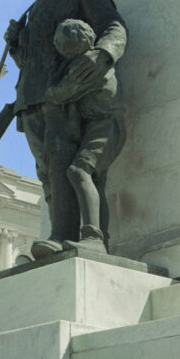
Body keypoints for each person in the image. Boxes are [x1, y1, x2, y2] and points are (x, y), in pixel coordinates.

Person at [4, 0, 126, 259]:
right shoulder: (33, 8)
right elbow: (29, 62)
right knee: (47, 178)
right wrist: (16, 44)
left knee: (63, 165)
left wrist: (103, 53)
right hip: (31, 100)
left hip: (63, 96)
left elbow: (113, 26)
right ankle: (58, 237)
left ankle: (63, 235)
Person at [42, 19, 126, 253]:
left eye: (60, 45)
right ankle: (98, 238)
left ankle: (93, 237)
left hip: (107, 126)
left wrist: (50, 91)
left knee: (78, 171)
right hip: (97, 125)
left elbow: (60, 93)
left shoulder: (86, 68)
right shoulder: (85, 63)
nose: (57, 49)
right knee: (93, 179)